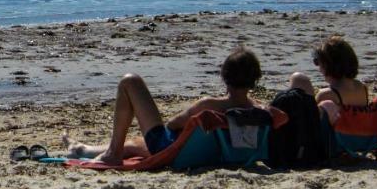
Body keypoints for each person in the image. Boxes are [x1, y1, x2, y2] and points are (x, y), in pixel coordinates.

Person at [63, 47, 266, 165]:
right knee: (135, 144)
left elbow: (172, 124)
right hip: (203, 155)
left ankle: (112, 154)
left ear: (224, 76)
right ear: (255, 79)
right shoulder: (261, 112)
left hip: (173, 152)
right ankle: (81, 149)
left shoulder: (209, 105)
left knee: (130, 81)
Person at [288, 35, 369, 124]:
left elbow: (312, 125)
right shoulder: (362, 88)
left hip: (333, 137)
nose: (318, 68)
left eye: (318, 62)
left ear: (328, 65)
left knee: (297, 78)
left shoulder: (327, 95)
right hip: (356, 135)